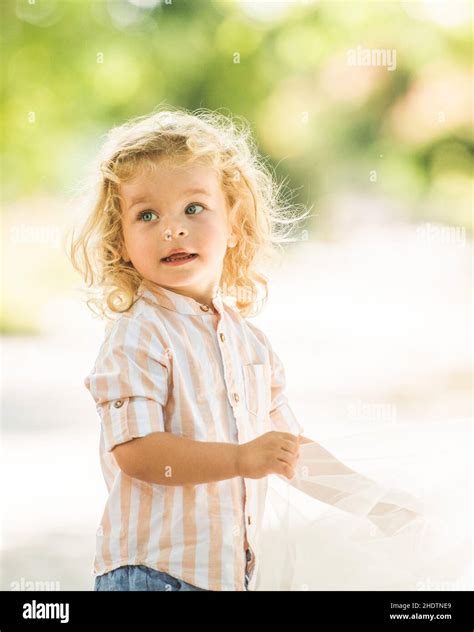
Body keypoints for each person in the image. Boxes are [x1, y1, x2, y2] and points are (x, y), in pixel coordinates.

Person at [68, 107, 442, 592]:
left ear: (235, 225)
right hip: (152, 575)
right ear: (122, 242)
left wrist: (375, 501)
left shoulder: (248, 342)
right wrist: (243, 458)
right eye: (147, 214)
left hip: (228, 579)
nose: (172, 228)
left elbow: (286, 451)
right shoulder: (138, 334)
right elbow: (138, 453)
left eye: (194, 208)